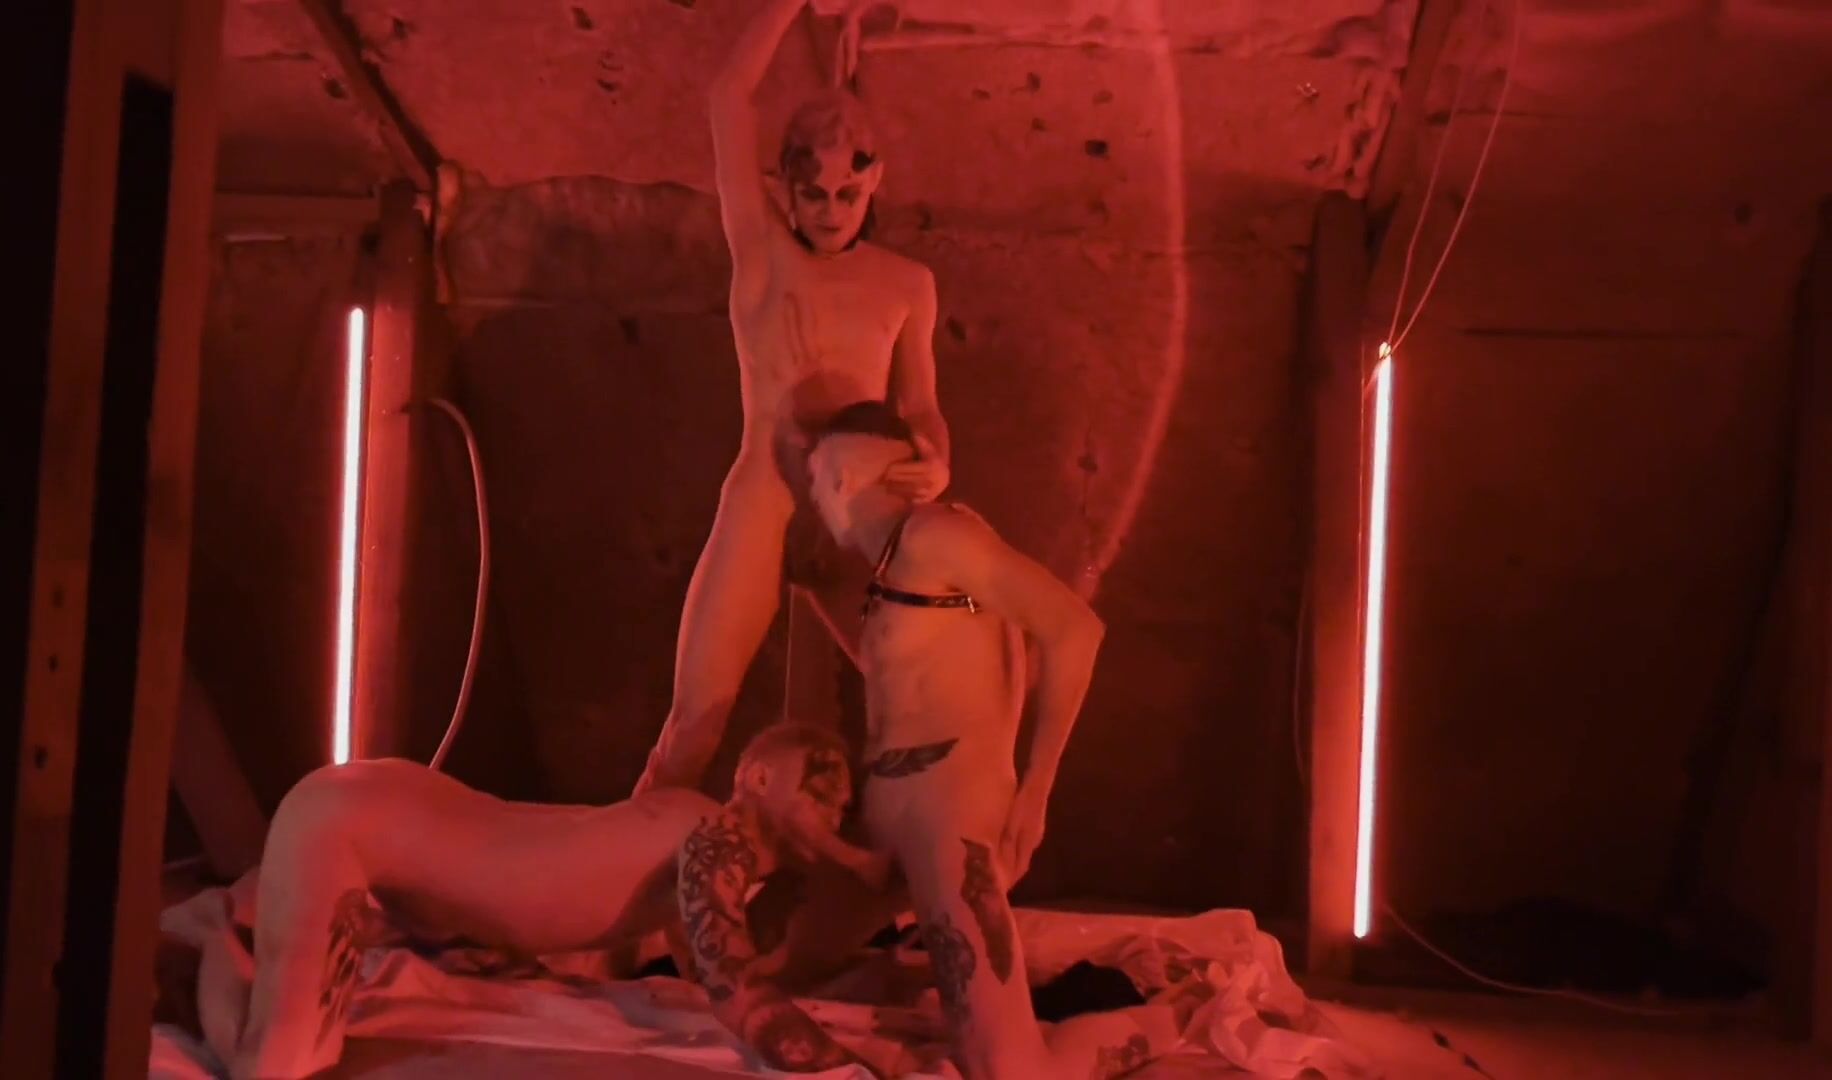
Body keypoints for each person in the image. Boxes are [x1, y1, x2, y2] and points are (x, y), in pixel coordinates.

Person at [776, 401, 1181, 1078]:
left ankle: (1165, 1021)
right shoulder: (889, 570)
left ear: (842, 478)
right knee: (763, 976)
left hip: (946, 817)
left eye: (815, 482)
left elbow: (1075, 630)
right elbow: (898, 675)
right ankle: (921, 983)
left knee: (1007, 1070)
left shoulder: (937, 534)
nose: (813, 500)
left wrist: (1036, 791)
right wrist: (815, 593)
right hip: (885, 820)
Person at [636, 0, 952, 794]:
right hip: (767, 493)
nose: (832, 211)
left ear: (875, 182)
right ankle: (629, 864)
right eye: (814, 195)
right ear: (786, 187)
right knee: (695, 720)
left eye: (848, 194)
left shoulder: (906, 284)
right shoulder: (764, 251)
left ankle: (919, 857)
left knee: (927, 703)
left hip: (854, 506)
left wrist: (937, 459)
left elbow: (920, 403)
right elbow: (726, 98)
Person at [231, 723, 897, 1079]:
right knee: (279, 1068)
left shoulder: (703, 849)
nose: (833, 810)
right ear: (758, 779)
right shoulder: (715, 834)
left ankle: (227, 950)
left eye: (841, 806)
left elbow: (709, 967)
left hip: (389, 815)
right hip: (356, 822)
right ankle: (222, 954)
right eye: (818, 789)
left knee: (288, 1043)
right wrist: (858, 1067)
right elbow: (738, 991)